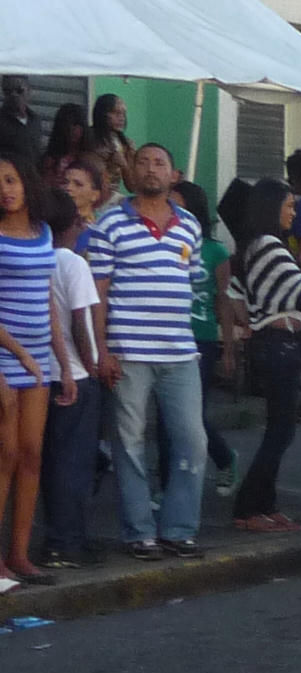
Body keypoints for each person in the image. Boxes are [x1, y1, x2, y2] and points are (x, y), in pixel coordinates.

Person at [86, 142, 207, 562]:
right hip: (128, 352)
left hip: (180, 352)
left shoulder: (189, 225)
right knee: (129, 444)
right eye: (143, 162)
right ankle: (139, 532)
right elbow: (97, 292)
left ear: (174, 174)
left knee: (192, 442)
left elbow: (191, 282)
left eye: (160, 162)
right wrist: (102, 348)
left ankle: (178, 528)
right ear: (133, 172)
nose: (151, 169)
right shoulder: (109, 224)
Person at [227, 177, 301, 533]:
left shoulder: (255, 247)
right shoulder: (269, 247)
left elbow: (234, 292)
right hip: (278, 344)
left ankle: (265, 503)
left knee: (280, 429)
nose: (294, 213)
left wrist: (249, 319)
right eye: (289, 206)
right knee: (280, 431)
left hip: (273, 344)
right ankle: (249, 505)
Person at [0, 153, 61, 585]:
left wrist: (61, 360)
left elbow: (48, 301)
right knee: (4, 455)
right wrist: (17, 352)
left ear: (27, 183)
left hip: (39, 358)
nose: (5, 189)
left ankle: (19, 554)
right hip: (4, 356)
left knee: (32, 455)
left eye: (11, 179)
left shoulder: (45, 233)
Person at [40, 189, 101, 569]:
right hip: (74, 372)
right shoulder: (73, 263)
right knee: (74, 462)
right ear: (72, 223)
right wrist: (90, 363)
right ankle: (67, 541)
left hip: (43, 372)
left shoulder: (38, 259)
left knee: (51, 460)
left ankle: (58, 538)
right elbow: (80, 320)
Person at [168, 180, 237, 498]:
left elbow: (222, 299)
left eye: (178, 204)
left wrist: (228, 348)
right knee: (164, 414)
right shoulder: (164, 243)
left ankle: (224, 456)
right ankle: (167, 482)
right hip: (167, 336)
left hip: (202, 339)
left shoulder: (215, 251)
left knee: (191, 413)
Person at [84, 95, 134, 193]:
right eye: (116, 113)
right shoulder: (88, 137)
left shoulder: (126, 144)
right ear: (103, 113)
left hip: (111, 199)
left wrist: (124, 165)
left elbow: (132, 187)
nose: (121, 118)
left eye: (123, 113)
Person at [41, 104, 88, 184]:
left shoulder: (89, 158)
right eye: (68, 125)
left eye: (77, 125)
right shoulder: (50, 160)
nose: (73, 130)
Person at [0, 78, 42, 166]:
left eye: (19, 90)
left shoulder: (35, 120)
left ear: (29, 91)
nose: (14, 95)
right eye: (8, 91)